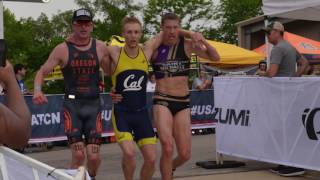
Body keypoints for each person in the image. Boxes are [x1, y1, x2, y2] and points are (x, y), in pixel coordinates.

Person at [32, 8, 109, 180]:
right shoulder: (62, 49)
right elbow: (42, 71)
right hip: (72, 106)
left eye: (87, 24)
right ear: (73, 25)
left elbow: (114, 69)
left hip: (93, 104)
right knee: (79, 155)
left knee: (94, 157)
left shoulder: (101, 47)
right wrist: (38, 90)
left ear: (92, 26)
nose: (83, 27)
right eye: (79, 23)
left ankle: (91, 177)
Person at [151, 12, 220, 180]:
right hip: (162, 99)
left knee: (185, 154)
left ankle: (170, 168)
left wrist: (201, 39)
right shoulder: (155, 46)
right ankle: (167, 175)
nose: (172, 31)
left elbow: (215, 57)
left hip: (182, 102)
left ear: (179, 28)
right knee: (167, 147)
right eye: (168, 27)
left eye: (175, 27)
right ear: (162, 28)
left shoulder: (188, 45)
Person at [107, 16, 165, 180]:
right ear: (123, 34)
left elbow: (166, 30)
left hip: (141, 114)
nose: (133, 36)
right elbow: (93, 47)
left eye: (136, 32)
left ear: (141, 34)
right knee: (130, 153)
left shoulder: (146, 51)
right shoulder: (114, 52)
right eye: (129, 32)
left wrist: (193, 34)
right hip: (121, 113)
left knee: (151, 159)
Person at [260, 21, 308, 177]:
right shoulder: (289, 46)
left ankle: (292, 164)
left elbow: (272, 73)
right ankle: (287, 162)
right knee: (287, 129)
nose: (267, 36)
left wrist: (260, 74)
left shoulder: (278, 49)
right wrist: (294, 78)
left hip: (281, 95)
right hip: (290, 94)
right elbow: (305, 63)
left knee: (282, 129)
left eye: (269, 32)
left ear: (277, 32)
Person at [0, 61, 31, 148]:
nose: (25, 70)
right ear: (19, 71)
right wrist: (10, 79)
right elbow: (22, 134)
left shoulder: (21, 83)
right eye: (24, 69)